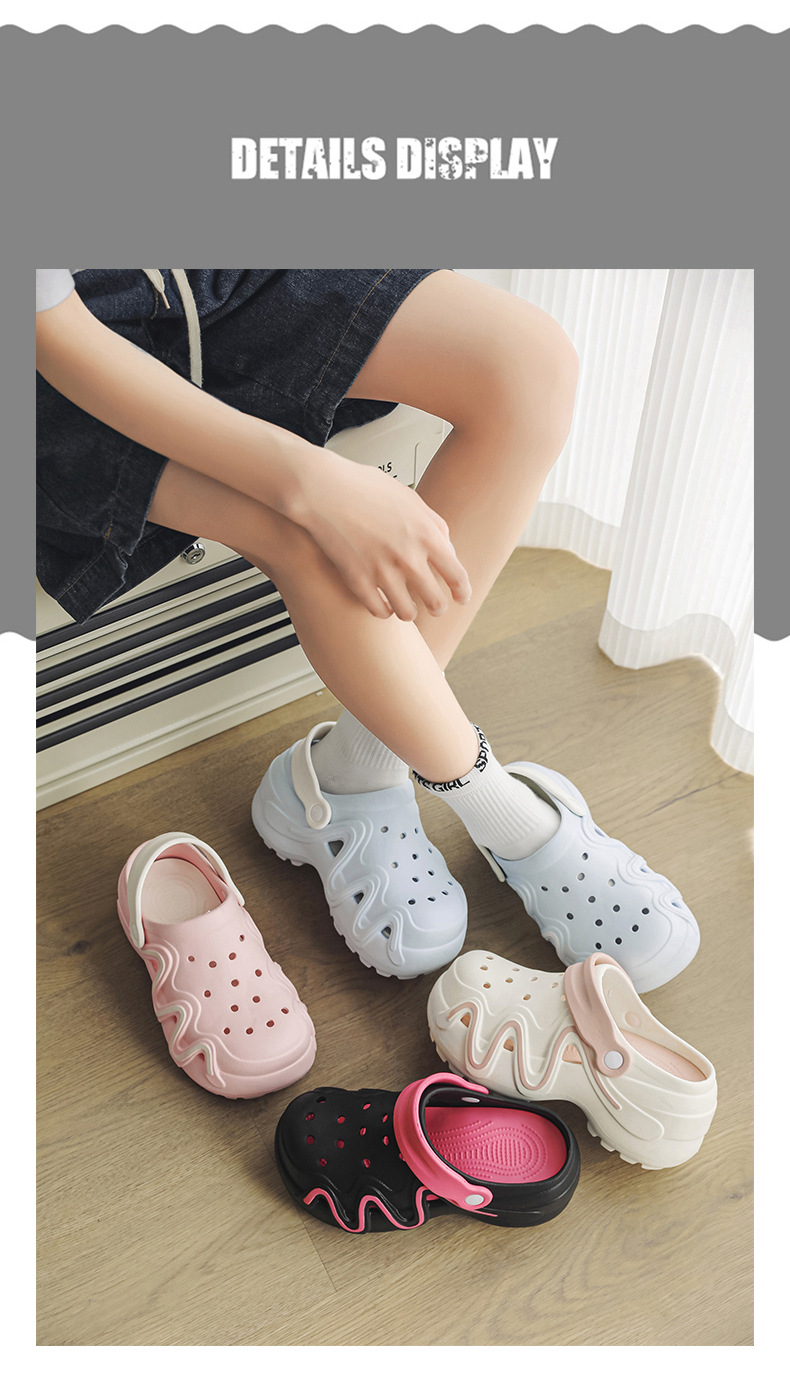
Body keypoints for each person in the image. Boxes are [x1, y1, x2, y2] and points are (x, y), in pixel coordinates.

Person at [36, 268, 699, 990]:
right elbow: (53, 330)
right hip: (57, 362)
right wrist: (310, 482)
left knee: (528, 367)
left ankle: (358, 768)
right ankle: (508, 817)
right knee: (313, 534)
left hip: (215, 271)